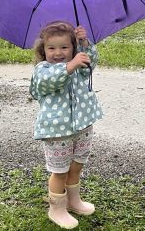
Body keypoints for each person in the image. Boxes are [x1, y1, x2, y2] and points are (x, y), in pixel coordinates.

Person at [30, 21, 103, 229]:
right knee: (59, 171)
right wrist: (69, 66)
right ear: (43, 50)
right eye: (51, 48)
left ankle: (73, 200)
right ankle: (57, 208)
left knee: (77, 164)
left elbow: (91, 64)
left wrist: (85, 44)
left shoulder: (78, 67)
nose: (58, 53)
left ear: (72, 48)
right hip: (57, 131)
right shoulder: (43, 70)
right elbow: (47, 82)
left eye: (65, 47)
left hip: (82, 125)